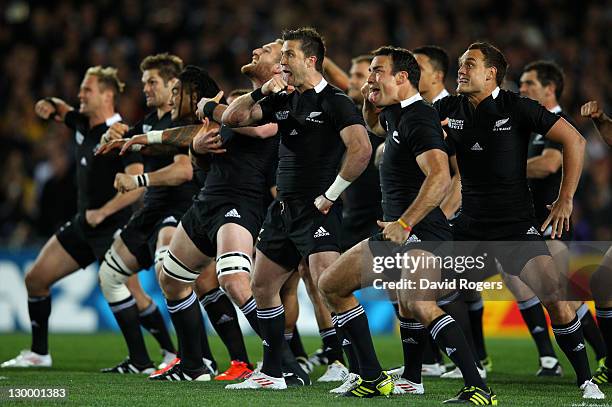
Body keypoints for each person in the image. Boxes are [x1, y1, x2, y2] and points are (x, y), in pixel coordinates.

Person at [434, 42, 603, 400]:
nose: (460, 70)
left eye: (470, 64)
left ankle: (586, 379)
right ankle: (465, 377)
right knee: (423, 291)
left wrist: (565, 199)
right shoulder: (449, 107)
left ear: (491, 72)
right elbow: (412, 132)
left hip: (515, 228)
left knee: (556, 299)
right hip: (469, 227)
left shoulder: (518, 107)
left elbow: (575, 140)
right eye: (460, 64)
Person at [221, 27, 371, 390]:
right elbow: (232, 118)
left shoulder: (336, 101)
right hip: (282, 211)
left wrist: (332, 194)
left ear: (310, 60)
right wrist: (261, 91)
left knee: (329, 288)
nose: (282, 62)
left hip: (317, 210)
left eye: (288, 55)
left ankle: (364, 373)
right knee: (262, 285)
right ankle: (272, 373)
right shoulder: (283, 98)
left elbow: (362, 149)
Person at [1, 66, 146, 369]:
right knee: (36, 279)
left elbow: (136, 185)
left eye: (87, 90)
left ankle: (153, 359)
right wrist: (49, 103)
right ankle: (39, 353)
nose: (80, 95)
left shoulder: (125, 134)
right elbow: (60, 107)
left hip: (112, 227)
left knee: (135, 296)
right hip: (84, 224)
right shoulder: (81, 123)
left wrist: (105, 211)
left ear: (107, 95)